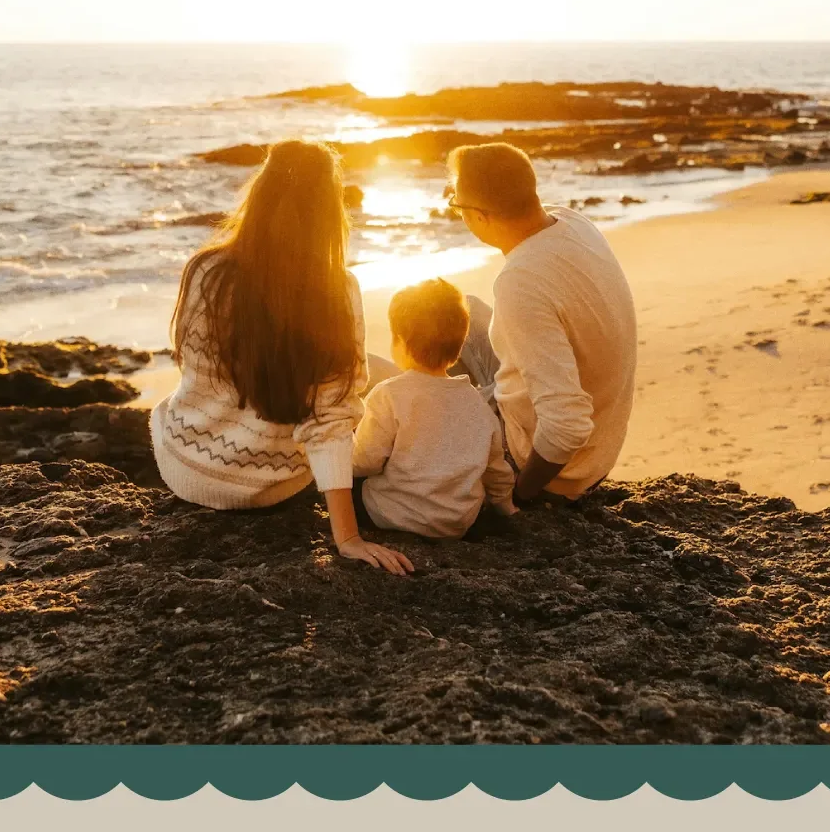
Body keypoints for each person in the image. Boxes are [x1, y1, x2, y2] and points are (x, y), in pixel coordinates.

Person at [149, 140, 414, 575]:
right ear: (329, 211)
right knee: (368, 382)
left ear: (260, 192)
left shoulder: (205, 271)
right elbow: (329, 422)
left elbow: (194, 371)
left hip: (187, 469)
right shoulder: (337, 290)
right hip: (272, 485)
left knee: (167, 406)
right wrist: (346, 536)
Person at [445, 142, 637, 503]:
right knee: (461, 310)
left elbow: (567, 424)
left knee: (395, 392)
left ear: (481, 216)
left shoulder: (521, 282)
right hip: (601, 448)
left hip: (555, 469)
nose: (456, 212)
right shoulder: (571, 222)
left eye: (455, 204)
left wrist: (521, 495)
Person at [351, 277, 517, 539]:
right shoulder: (478, 405)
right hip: (458, 522)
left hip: (393, 516)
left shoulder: (387, 395)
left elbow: (364, 462)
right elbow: (495, 469)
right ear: (460, 345)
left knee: (350, 481)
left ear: (400, 341)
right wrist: (505, 506)